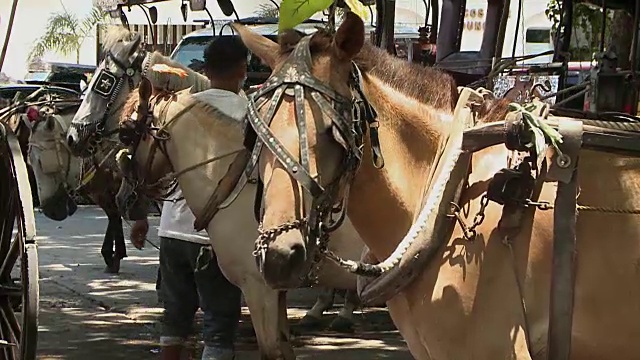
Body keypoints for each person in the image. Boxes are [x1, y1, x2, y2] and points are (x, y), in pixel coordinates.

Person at [130, 36, 249, 360]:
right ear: (243, 70)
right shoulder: (250, 113)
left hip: (171, 232)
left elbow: (146, 167)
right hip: (216, 237)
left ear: (205, 70)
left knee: (174, 319)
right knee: (219, 325)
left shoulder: (177, 110)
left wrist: (139, 216)